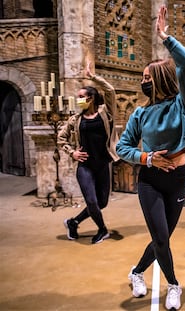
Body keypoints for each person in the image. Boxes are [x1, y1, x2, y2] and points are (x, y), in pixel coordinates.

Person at [115, 6, 185, 310]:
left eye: (146, 77)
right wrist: (147, 158)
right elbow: (121, 148)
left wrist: (166, 37)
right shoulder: (140, 113)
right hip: (150, 180)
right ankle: (175, 285)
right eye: (142, 78)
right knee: (161, 237)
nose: (143, 81)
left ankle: (136, 272)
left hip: (177, 180)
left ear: (160, 78)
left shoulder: (182, 105)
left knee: (162, 238)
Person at [57, 62, 119, 244]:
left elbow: (110, 91)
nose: (79, 100)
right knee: (92, 201)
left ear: (91, 98)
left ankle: (73, 222)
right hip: (85, 166)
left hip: (103, 164)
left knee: (102, 203)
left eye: (82, 97)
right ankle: (102, 229)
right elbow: (61, 139)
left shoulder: (105, 113)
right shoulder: (75, 119)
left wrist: (93, 77)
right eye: (78, 97)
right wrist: (72, 153)